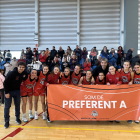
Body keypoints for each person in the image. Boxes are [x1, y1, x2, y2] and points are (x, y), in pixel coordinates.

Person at [4, 62, 28, 129]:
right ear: (17, 66)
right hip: (9, 91)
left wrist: (25, 77)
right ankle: (6, 121)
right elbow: (5, 83)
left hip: (17, 91)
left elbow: (26, 75)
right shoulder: (12, 73)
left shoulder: (23, 72)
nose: (21, 68)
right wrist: (6, 93)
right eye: (20, 67)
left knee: (17, 105)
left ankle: (17, 118)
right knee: (7, 106)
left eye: (23, 67)